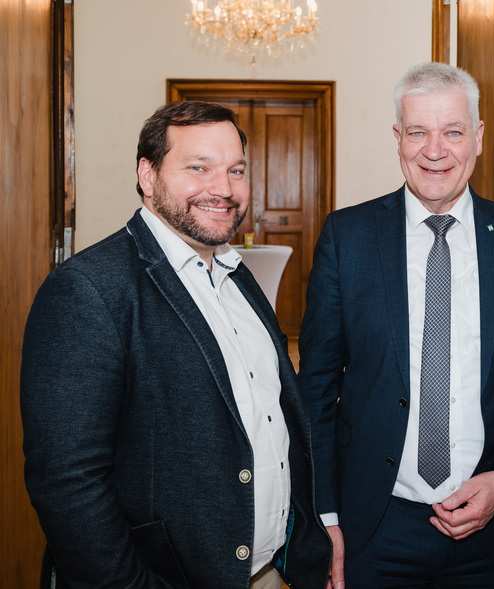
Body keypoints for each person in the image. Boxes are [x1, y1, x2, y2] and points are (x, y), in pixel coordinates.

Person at [21, 101, 330, 589]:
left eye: (235, 170)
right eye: (198, 168)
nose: (223, 188)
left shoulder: (238, 277)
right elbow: (67, 481)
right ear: (148, 175)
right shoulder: (89, 289)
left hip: (269, 572)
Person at [298, 62, 494, 588]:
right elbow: (315, 391)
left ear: (479, 138)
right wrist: (324, 516)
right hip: (374, 526)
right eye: (418, 132)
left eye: (453, 132)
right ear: (397, 138)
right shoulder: (347, 237)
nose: (434, 150)